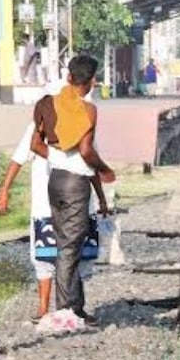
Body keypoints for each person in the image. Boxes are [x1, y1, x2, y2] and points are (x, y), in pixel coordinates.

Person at [0, 80, 108, 323]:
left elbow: (91, 163)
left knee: (77, 255)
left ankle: (74, 309)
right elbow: (18, 159)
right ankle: (45, 307)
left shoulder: (81, 122)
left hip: (76, 200)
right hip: (44, 203)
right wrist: (4, 189)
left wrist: (101, 198)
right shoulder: (37, 128)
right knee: (46, 256)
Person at [31, 55, 116, 326]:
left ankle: (76, 307)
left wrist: (58, 159)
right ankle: (65, 310)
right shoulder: (88, 110)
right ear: (92, 82)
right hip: (75, 185)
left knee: (66, 243)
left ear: (69, 78)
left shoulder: (47, 105)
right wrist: (105, 169)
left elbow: (36, 144)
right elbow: (86, 151)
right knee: (71, 245)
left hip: (54, 180)